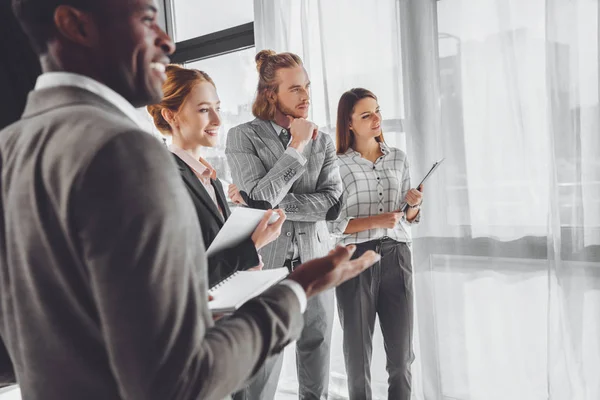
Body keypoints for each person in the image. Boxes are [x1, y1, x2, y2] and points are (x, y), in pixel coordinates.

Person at [0, 1, 380, 399]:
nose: (168, 42)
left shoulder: (14, 143)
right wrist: (295, 291)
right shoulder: (124, 150)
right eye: (148, 19)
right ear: (74, 24)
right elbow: (179, 381)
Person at [226, 49, 343, 400]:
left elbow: (333, 204)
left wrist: (273, 205)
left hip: (316, 264)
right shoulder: (242, 136)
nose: (306, 96)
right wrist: (297, 145)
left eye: (306, 86)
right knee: (259, 372)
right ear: (270, 93)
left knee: (317, 361)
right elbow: (261, 200)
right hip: (266, 271)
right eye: (295, 89)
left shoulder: (324, 140)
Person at [328, 88, 424, 400]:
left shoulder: (398, 157)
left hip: (397, 256)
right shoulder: (337, 165)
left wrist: (413, 205)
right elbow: (333, 223)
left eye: (378, 111)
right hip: (355, 259)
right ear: (350, 123)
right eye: (366, 114)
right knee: (358, 359)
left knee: (402, 358)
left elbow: (407, 219)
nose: (376, 119)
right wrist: (376, 221)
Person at [147, 65, 271, 288]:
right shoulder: (162, 180)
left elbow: (215, 257)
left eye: (218, 108)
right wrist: (248, 251)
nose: (217, 120)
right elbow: (177, 277)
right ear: (170, 115)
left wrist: (248, 262)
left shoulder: (211, 179)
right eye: (204, 110)